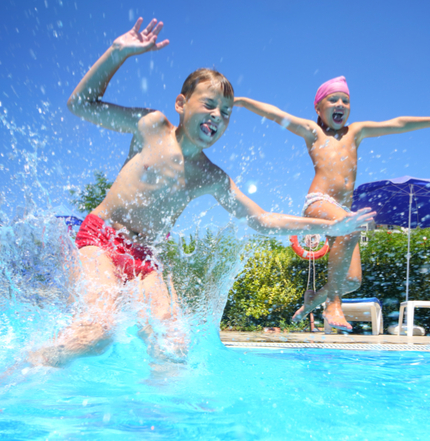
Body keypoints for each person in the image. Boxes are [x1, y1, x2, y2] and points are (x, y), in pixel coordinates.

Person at [29, 19, 374, 366]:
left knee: (173, 346)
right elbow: (81, 104)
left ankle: (158, 417)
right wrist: (118, 54)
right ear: (181, 103)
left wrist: (330, 227)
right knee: (97, 333)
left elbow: (263, 220)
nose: (217, 116)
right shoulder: (152, 127)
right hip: (102, 238)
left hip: (146, 259)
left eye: (225, 113)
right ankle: (18, 373)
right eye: (208, 105)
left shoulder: (211, 176)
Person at [235, 77, 430, 331]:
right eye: (333, 99)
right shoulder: (313, 131)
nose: (340, 104)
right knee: (349, 228)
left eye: (345, 100)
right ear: (318, 107)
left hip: (342, 211)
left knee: (353, 280)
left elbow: (396, 124)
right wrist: (244, 102)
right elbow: (276, 114)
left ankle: (314, 298)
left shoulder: (355, 132)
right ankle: (332, 303)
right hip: (319, 202)